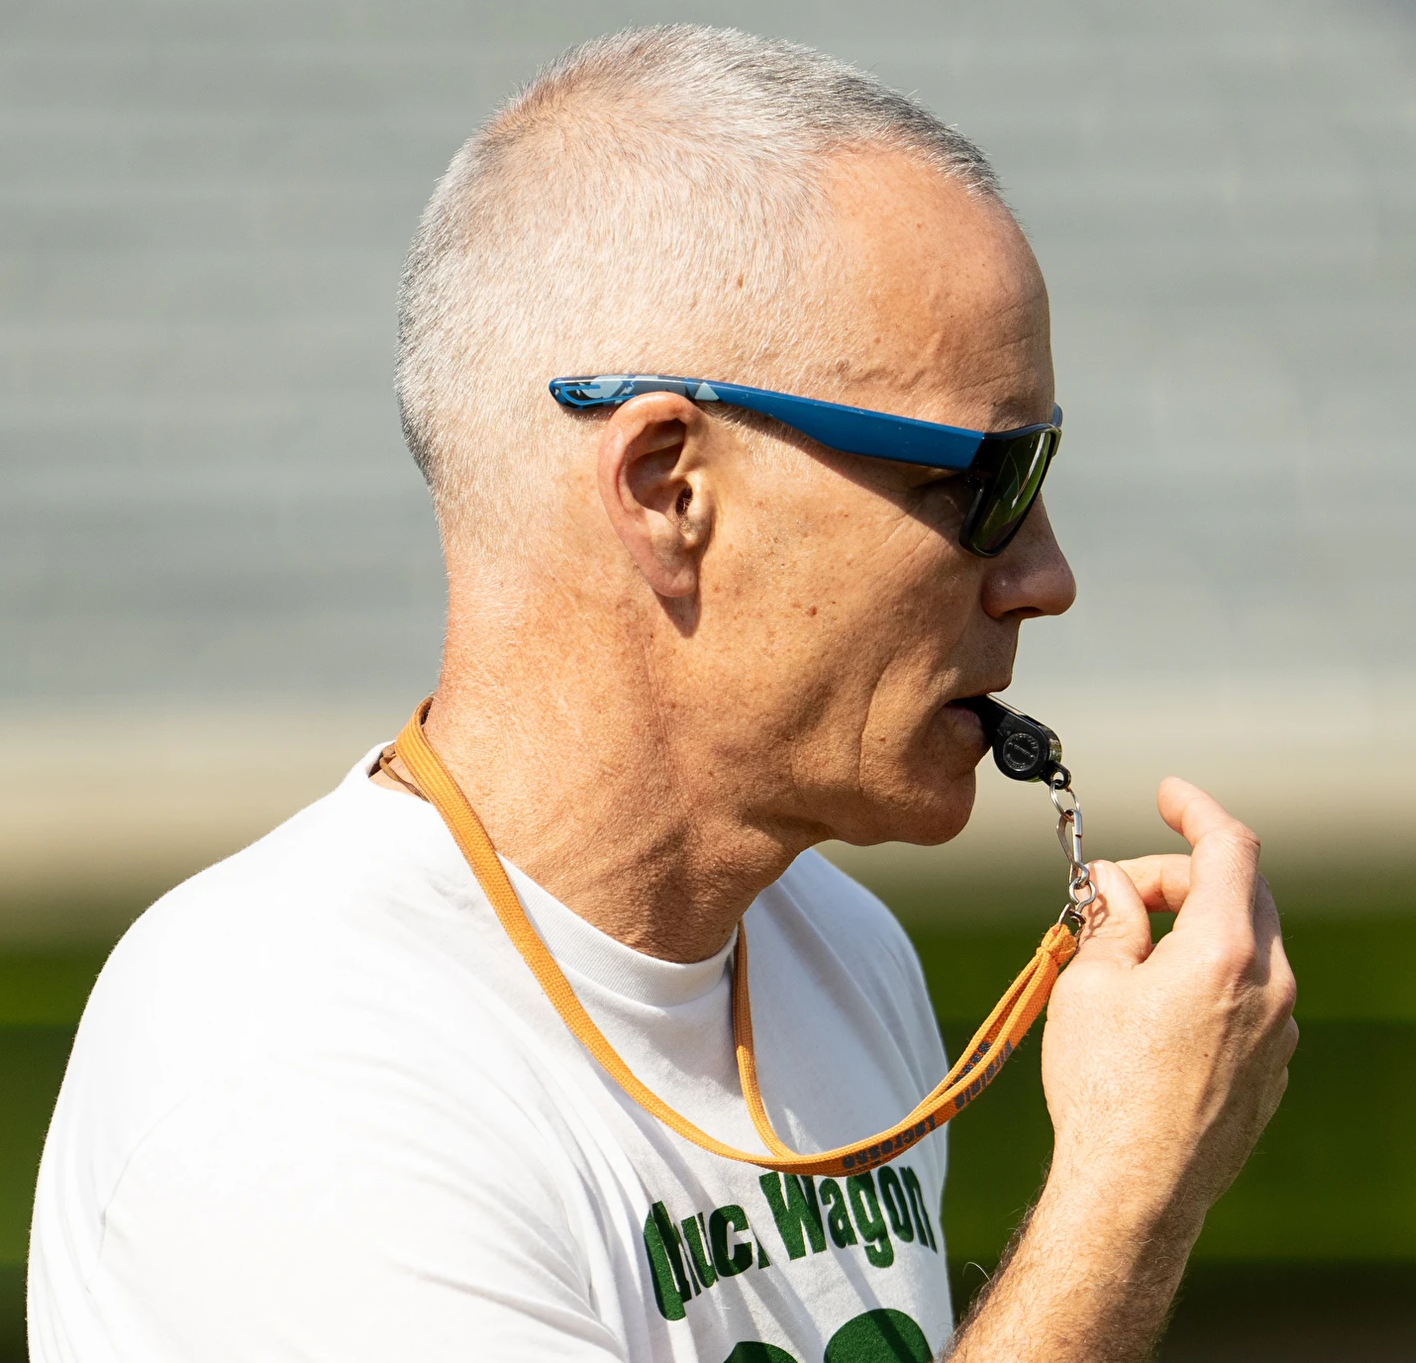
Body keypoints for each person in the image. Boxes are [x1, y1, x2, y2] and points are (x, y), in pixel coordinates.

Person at [28, 25, 1296, 1363]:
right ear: (666, 490)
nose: (1046, 576)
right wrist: (1122, 1200)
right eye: (984, 481)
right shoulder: (288, 1075)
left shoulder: (835, 952)